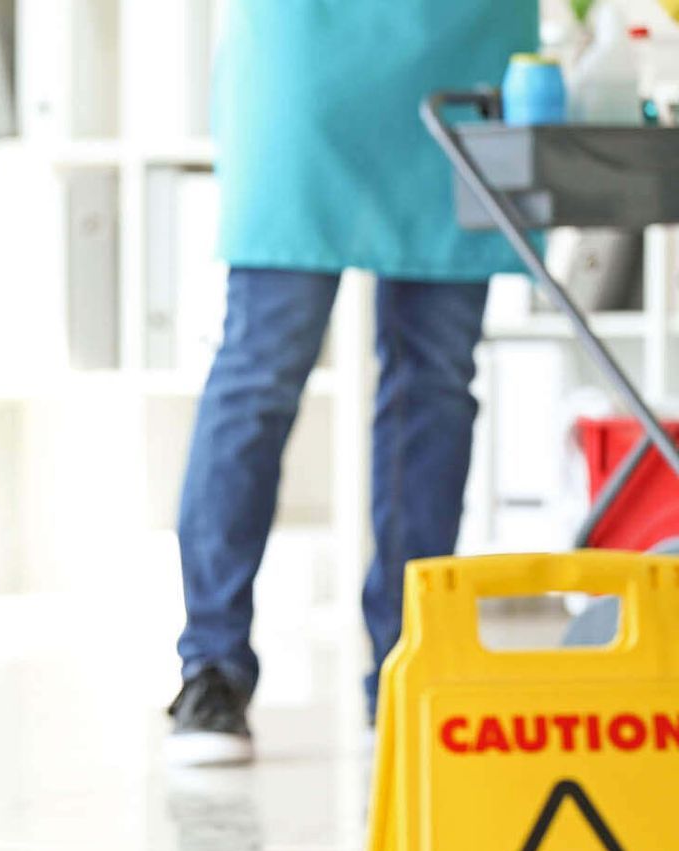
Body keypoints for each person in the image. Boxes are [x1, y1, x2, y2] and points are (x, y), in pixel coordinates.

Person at [166, 2, 538, 767]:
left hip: (464, 43)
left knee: (437, 379)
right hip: (306, 44)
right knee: (262, 368)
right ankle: (212, 666)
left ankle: (410, 659)